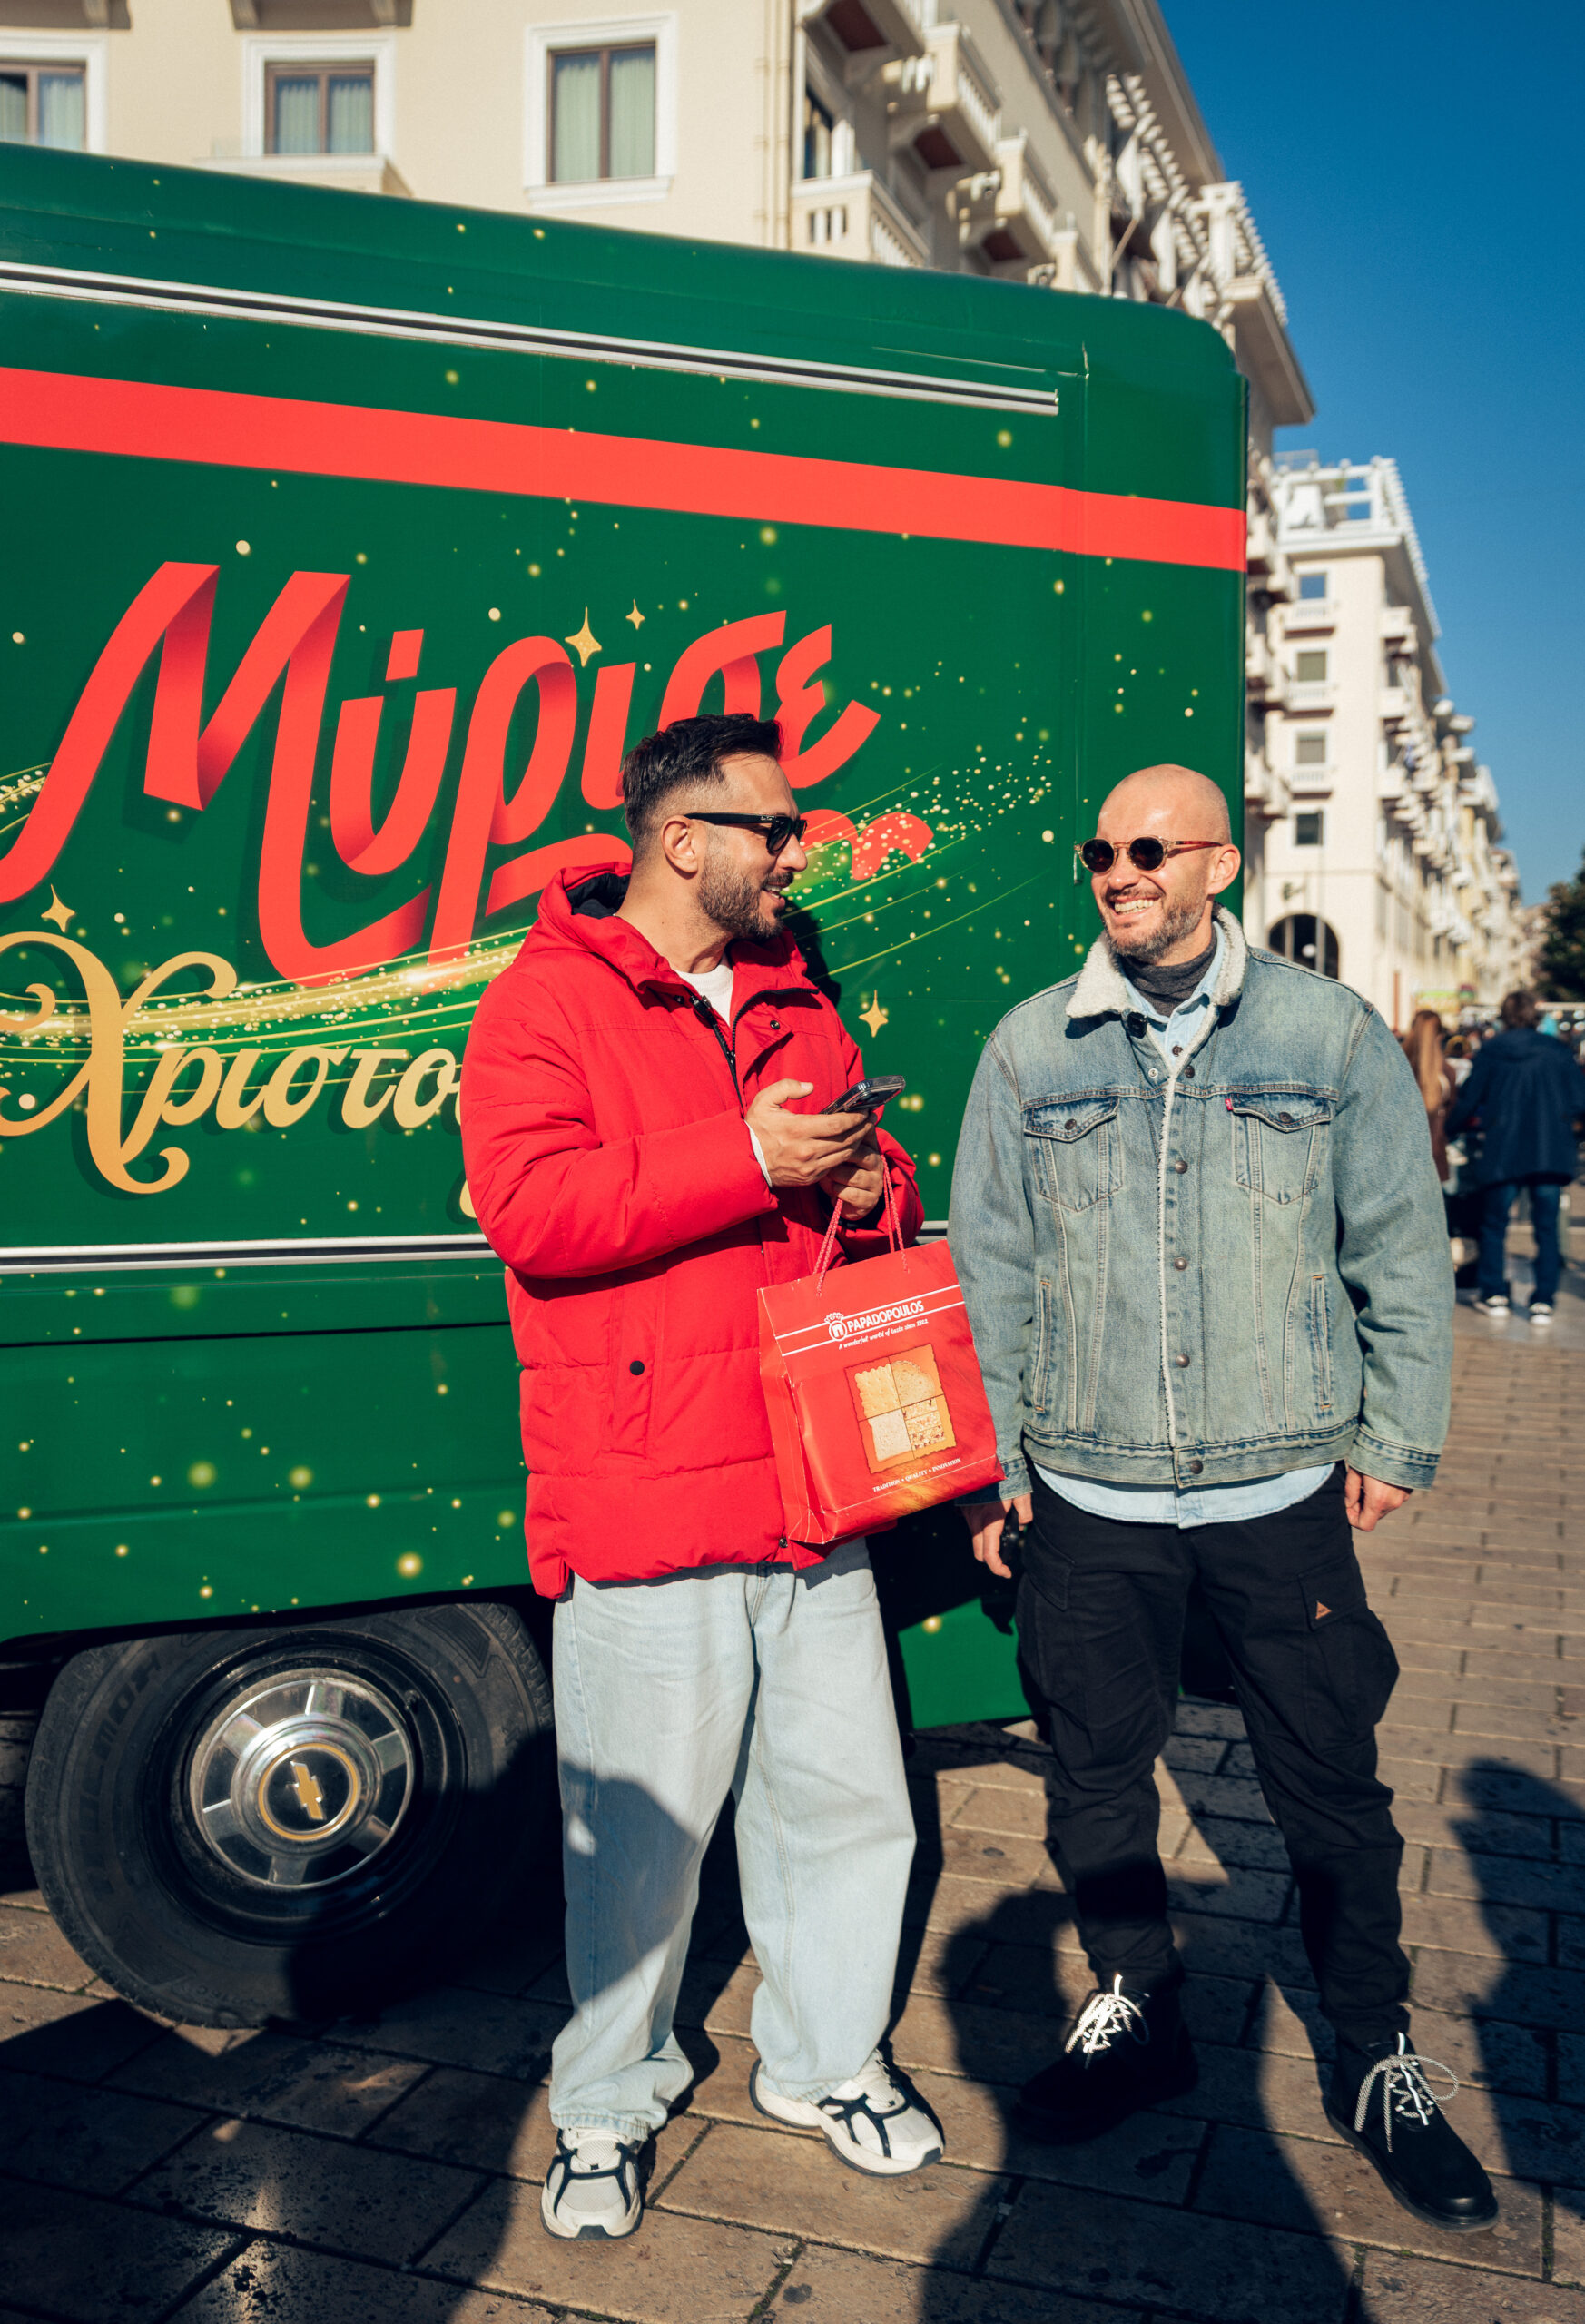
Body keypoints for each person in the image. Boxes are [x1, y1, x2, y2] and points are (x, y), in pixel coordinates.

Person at [950, 763, 1497, 2232]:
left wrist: (1397, 1435)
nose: (1119, 872)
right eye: (1099, 851)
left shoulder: (1325, 1034)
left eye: (1149, 848)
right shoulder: (1031, 1049)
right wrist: (991, 1472)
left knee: (1330, 1789)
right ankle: (1137, 2004)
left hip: (1277, 1491)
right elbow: (989, 1272)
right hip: (1090, 1493)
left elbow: (1396, 1241)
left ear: (1219, 864)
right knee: (1092, 1780)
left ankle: (1372, 2053)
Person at [460, 712, 939, 2245]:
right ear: (683, 839)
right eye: (773, 829)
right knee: (640, 1844)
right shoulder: (544, 999)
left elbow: (869, 1205)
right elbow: (532, 1210)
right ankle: (606, 2103)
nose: (796, 853)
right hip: (647, 1484)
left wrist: (866, 1178)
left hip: (811, 1484)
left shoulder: (800, 998)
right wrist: (749, 1159)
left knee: (846, 1804)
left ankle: (825, 2061)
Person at [1445, 988, 1585, 1324]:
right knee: (1546, 1227)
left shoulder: (1493, 1050)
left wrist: (1448, 1129)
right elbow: (1578, 1100)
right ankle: (1543, 1299)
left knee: (1495, 1224)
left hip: (1502, 1147)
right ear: (1536, 1016)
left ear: (1504, 1016)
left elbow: (1469, 1099)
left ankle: (1494, 1293)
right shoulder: (1557, 1051)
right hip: (1549, 1149)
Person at [1401, 1008, 1453, 1182]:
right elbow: (1453, 1111)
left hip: (1401, 1159)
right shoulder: (1445, 1073)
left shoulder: (1398, 1068)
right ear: (1439, 1036)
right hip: (1434, 1156)